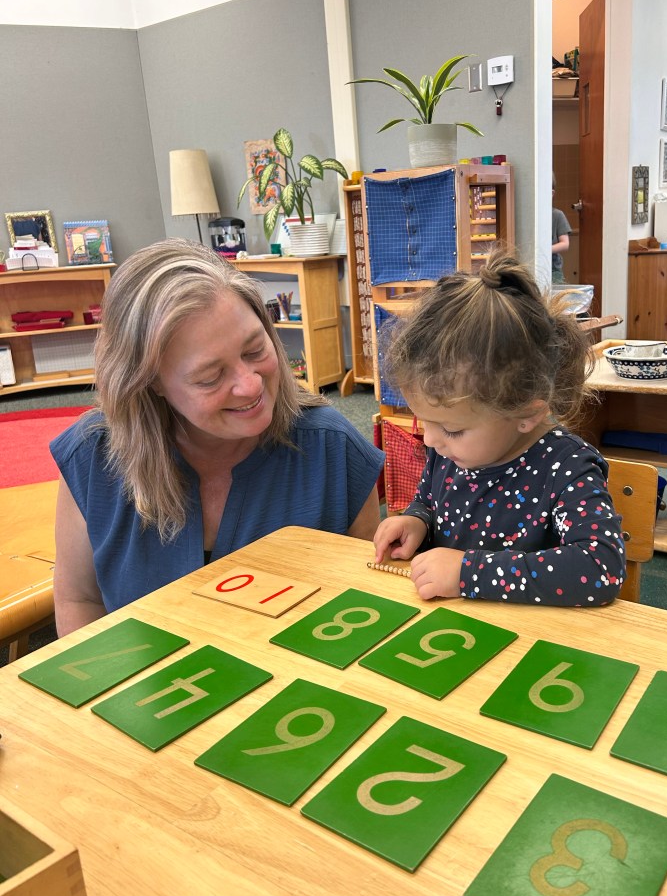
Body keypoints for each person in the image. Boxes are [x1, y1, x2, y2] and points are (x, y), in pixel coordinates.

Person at [52, 238, 384, 635]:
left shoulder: (333, 449)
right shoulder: (93, 456)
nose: (250, 385)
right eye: (210, 377)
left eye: (255, 350)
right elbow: (79, 600)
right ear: (150, 382)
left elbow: (370, 600)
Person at [372, 247, 625, 606]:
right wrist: (417, 520)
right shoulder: (450, 452)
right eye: (423, 421)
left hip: (533, 635)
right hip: (454, 626)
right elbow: (429, 500)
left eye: (452, 429)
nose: (430, 440)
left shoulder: (566, 467)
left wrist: (469, 574)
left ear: (527, 413)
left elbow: (600, 569)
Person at [551, 180, 572, 284]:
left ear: (552, 193)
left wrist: (545, 250)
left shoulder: (557, 215)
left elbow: (565, 244)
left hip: (553, 269)